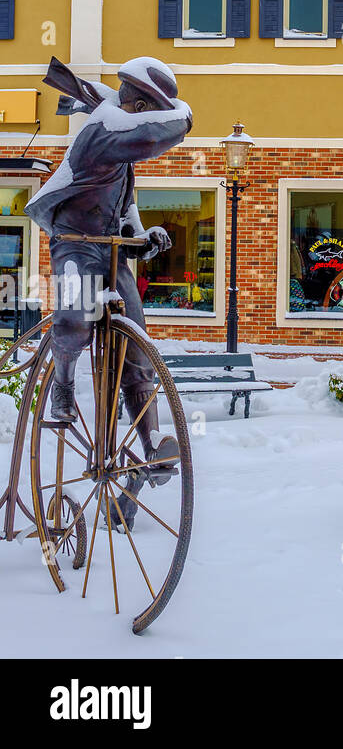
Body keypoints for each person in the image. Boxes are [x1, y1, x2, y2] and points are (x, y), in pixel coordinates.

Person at [25, 57, 193, 526]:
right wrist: (184, 116)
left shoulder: (120, 152)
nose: (149, 116)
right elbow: (151, 136)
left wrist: (143, 238)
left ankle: (153, 442)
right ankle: (61, 386)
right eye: (149, 107)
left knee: (135, 340)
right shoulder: (102, 134)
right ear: (138, 104)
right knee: (75, 315)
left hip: (113, 249)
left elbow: (125, 209)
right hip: (75, 245)